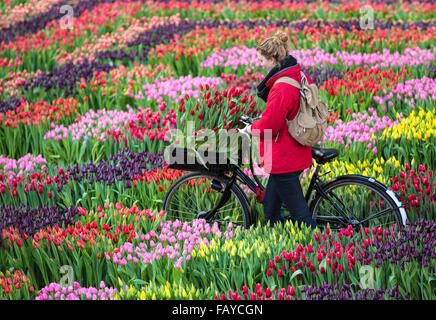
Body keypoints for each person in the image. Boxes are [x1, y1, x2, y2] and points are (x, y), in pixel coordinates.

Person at [242, 31, 317, 230]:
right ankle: (276, 236)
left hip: (285, 157)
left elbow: (270, 126)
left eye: (261, 60)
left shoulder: (281, 87)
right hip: (296, 148)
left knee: (301, 215)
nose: (260, 64)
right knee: (270, 206)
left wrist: (252, 128)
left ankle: (320, 246)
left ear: (272, 59)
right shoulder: (297, 74)